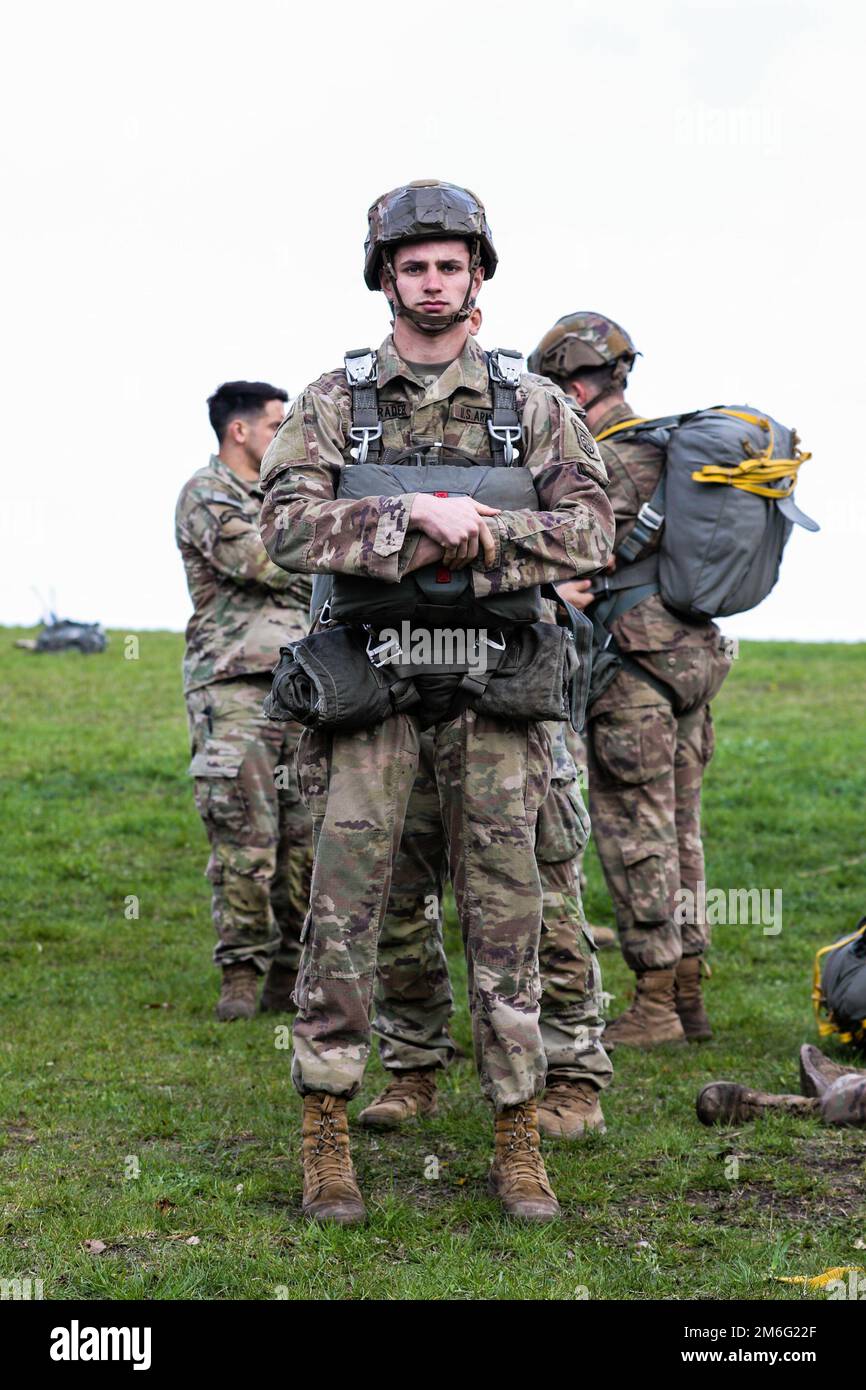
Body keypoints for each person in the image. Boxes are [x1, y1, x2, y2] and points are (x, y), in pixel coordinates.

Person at [259, 181, 614, 1224]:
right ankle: (324, 1129)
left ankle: (518, 1135)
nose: (429, 281)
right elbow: (283, 527)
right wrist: (407, 511)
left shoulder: (532, 406)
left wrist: (487, 532)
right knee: (345, 913)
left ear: (476, 277)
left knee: (509, 916)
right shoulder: (333, 400)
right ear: (384, 277)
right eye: (411, 265)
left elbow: (593, 532)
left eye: (447, 265)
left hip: (497, 690)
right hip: (368, 688)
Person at [528, 314, 732, 1047]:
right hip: (691, 663)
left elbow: (574, 556)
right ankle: (686, 991)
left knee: (633, 832)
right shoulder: (670, 451)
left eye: (553, 393)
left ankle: (653, 1003)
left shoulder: (606, 461)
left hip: (635, 672)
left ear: (578, 387)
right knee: (681, 829)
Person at [361, 718, 613, 1140]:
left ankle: (574, 1077)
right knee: (403, 907)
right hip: (407, 716)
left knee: (548, 912)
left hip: (510, 714)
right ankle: (412, 1066)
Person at [175, 382, 313, 1020]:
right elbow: (264, 561)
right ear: (239, 431)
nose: (284, 437)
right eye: (275, 425)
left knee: (304, 838)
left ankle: (292, 970)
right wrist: (338, 551)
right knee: (244, 838)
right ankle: (241, 969)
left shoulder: (286, 499)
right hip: (233, 691)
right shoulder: (207, 496)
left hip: (303, 691)